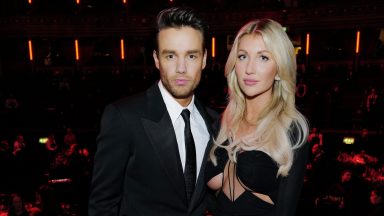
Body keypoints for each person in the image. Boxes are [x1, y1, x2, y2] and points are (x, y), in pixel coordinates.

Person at [88, 7, 219, 216]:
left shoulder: (215, 123)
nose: (181, 68)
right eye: (170, 56)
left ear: (204, 59)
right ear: (157, 59)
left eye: (191, 56)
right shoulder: (123, 118)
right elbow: (102, 206)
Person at [206, 19, 309, 216]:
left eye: (263, 58)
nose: (249, 68)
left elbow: (285, 210)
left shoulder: (291, 128)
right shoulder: (221, 122)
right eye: (243, 56)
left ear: (279, 69)